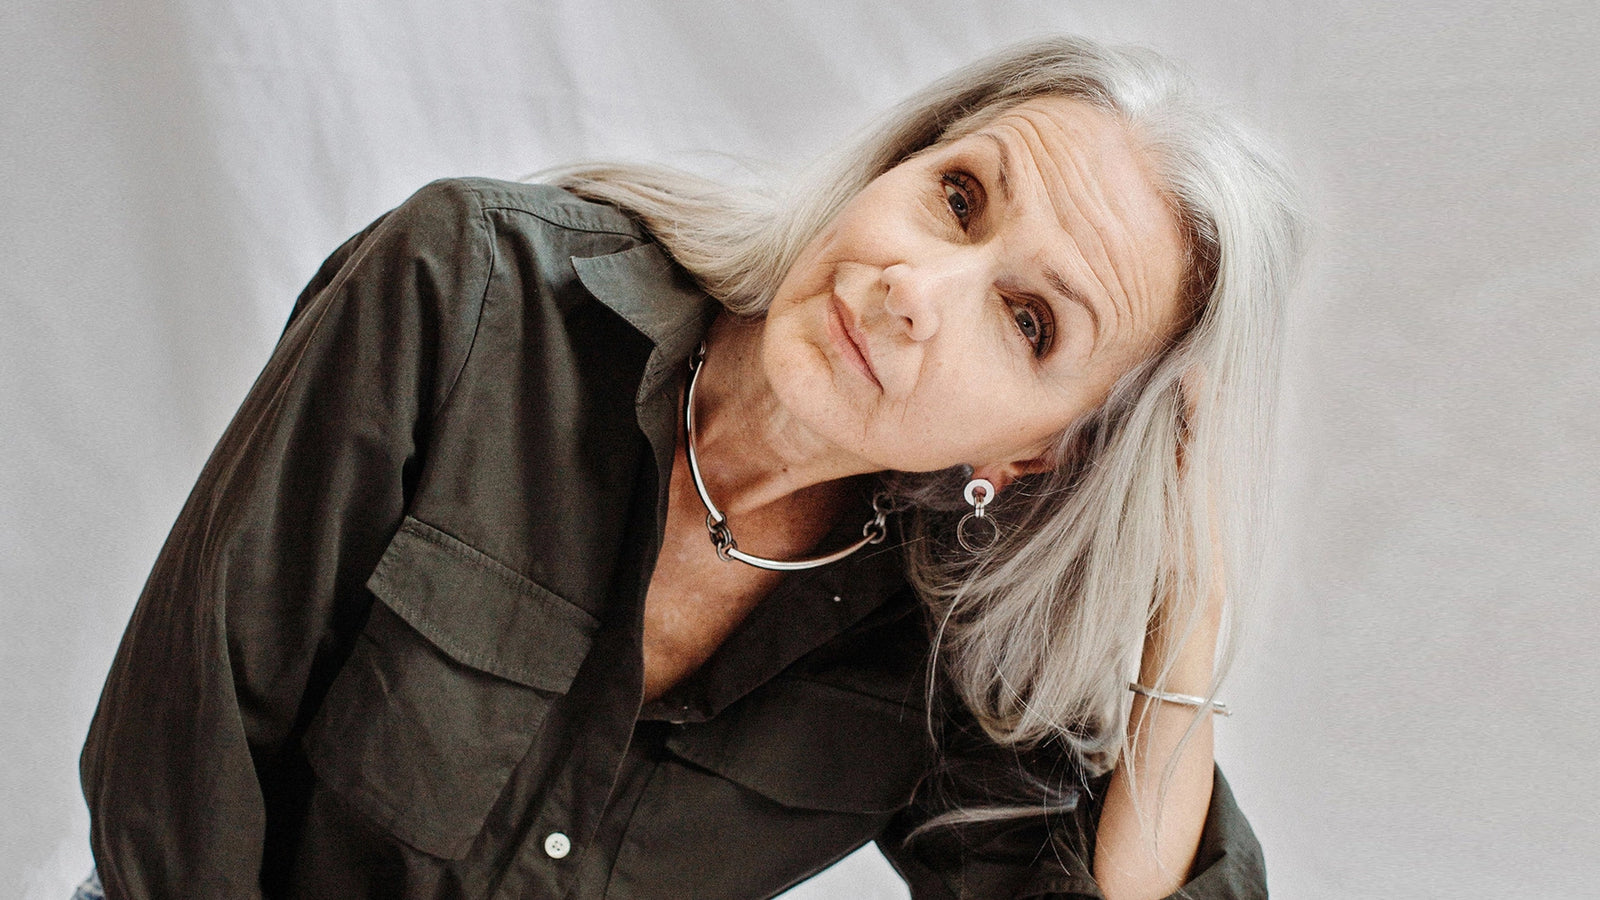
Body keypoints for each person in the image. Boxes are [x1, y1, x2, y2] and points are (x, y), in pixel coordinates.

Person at [80, 35, 1303, 900]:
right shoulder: (465, 293)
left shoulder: (945, 638)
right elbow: (178, 764)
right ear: (893, 168)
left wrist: (1185, 606)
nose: (915, 295)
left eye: (1029, 321)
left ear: (1040, 449)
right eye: (958, 197)